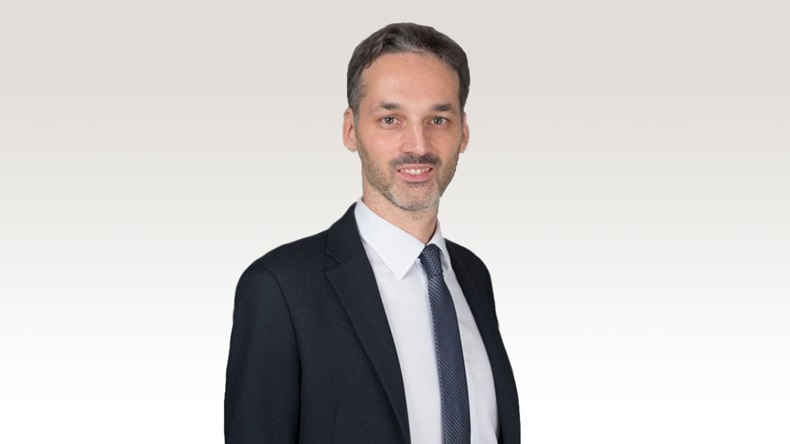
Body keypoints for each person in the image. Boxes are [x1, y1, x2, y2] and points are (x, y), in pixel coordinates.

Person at [224, 23, 520, 444]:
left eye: (438, 119)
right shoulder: (281, 288)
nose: (418, 145)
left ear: (464, 133)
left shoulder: (472, 275)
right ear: (351, 130)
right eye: (390, 119)